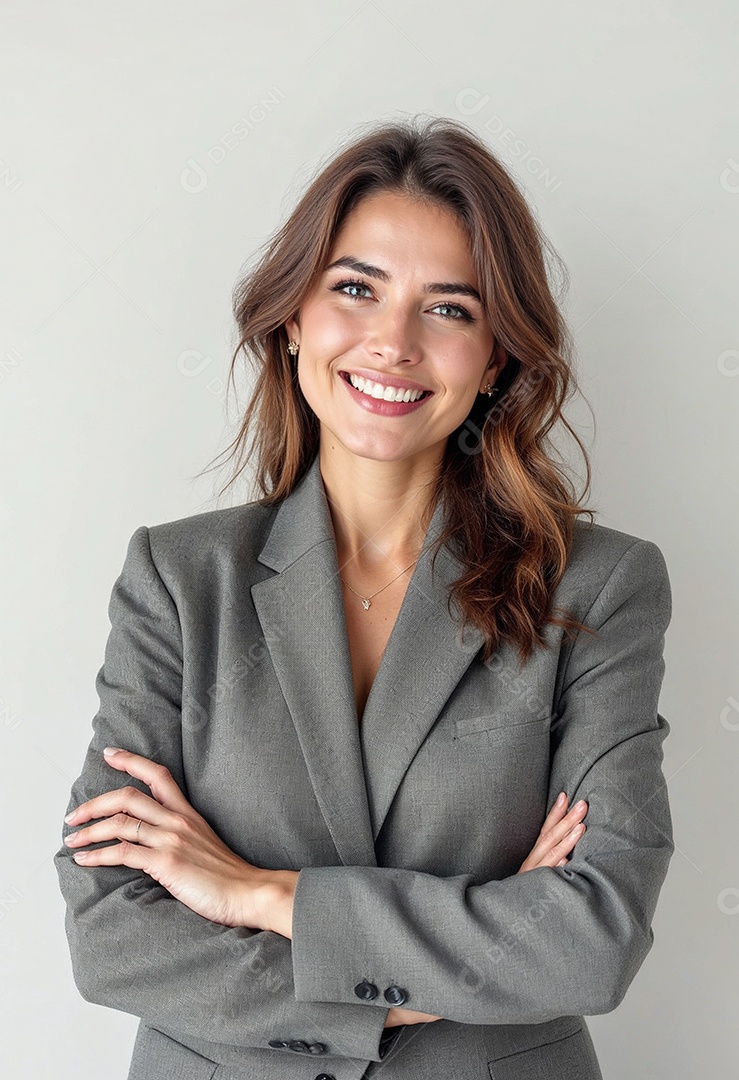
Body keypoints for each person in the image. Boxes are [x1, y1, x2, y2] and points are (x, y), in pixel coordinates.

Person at [55, 116, 674, 1080]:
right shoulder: (179, 581)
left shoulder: (596, 587)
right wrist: (422, 986)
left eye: (450, 309)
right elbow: (111, 935)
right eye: (355, 289)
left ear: (497, 357)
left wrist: (264, 895)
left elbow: (591, 938)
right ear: (294, 316)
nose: (392, 343)